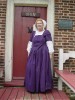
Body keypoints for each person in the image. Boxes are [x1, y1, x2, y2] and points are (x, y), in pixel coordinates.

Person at [24, 18, 54, 93]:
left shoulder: (46, 32)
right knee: (32, 68)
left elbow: (49, 43)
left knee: (42, 69)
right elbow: (30, 43)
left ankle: (42, 87)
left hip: (43, 54)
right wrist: (28, 51)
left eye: (40, 23)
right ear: (36, 25)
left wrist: (50, 53)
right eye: (37, 23)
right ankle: (32, 87)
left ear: (43, 25)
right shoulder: (33, 33)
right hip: (33, 54)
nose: (39, 24)